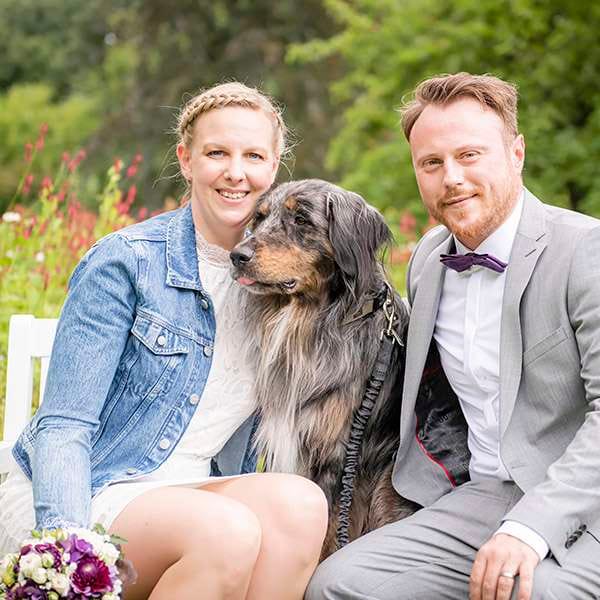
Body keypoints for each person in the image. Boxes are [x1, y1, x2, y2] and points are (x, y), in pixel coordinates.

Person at [0, 81, 328, 600]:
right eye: (216, 153)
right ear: (186, 160)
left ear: (274, 168)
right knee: (227, 530)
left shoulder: (281, 281)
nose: (235, 172)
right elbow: (63, 425)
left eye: (253, 156)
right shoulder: (126, 261)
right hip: (90, 488)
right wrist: (64, 551)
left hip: (192, 489)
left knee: (301, 505)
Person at [306, 72, 600, 600]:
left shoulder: (585, 251)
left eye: (469, 155)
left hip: (584, 501)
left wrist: (530, 528)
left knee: (525, 593)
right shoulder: (427, 260)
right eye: (432, 163)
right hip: (483, 495)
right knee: (339, 585)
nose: (452, 178)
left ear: (516, 153)